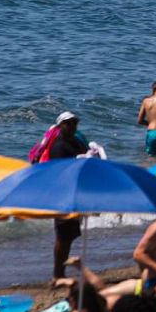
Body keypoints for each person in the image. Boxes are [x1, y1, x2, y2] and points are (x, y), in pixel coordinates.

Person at [47, 111, 91, 278]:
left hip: (76, 193)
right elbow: (59, 173)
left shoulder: (75, 142)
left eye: (74, 123)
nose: (73, 126)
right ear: (60, 126)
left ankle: (61, 272)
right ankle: (58, 274)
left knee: (70, 235)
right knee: (63, 236)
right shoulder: (59, 146)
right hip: (62, 196)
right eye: (68, 123)